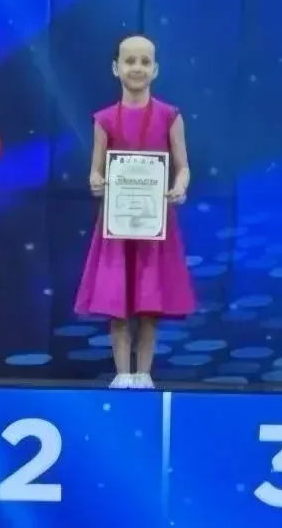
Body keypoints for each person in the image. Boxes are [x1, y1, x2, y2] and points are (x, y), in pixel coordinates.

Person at [74, 34, 195, 388]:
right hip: (116, 225)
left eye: (144, 61)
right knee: (117, 300)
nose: (137, 68)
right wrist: (96, 181)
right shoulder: (104, 119)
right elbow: (95, 171)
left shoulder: (170, 116)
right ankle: (122, 373)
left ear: (155, 69)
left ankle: (143, 373)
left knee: (148, 301)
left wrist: (179, 187)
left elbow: (183, 167)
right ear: (116, 68)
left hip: (154, 224)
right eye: (130, 61)